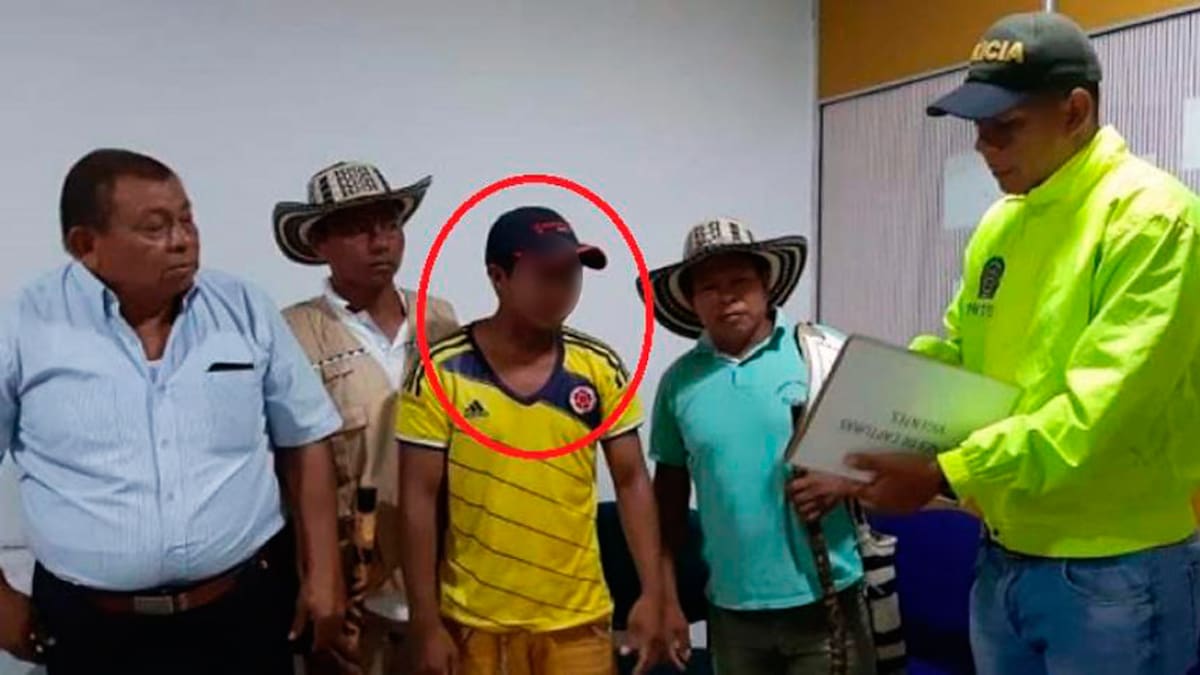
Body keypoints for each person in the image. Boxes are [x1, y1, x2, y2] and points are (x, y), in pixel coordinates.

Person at [802, 12, 1200, 675]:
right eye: (977, 127)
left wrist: (944, 473)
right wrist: (857, 418)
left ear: (1075, 111)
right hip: (1002, 553)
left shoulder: (1153, 219)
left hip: (1116, 568)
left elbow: (1097, 414)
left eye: (1004, 126)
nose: (983, 147)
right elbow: (963, 356)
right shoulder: (1002, 223)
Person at [0, 149, 347, 675]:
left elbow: (305, 438)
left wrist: (323, 572)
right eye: (156, 227)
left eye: (187, 220)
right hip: (91, 628)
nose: (183, 240)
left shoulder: (243, 307)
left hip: (242, 612)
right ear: (86, 245)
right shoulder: (25, 327)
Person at [396, 206, 665, 675]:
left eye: (571, 274)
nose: (561, 289)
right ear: (498, 277)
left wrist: (654, 591)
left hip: (578, 623)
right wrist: (425, 620)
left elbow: (632, 481)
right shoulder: (441, 372)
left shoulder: (598, 366)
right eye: (545, 274)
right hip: (475, 624)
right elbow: (418, 499)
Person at [641, 218, 875, 675]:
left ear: (766, 285)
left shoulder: (821, 352)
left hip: (829, 601)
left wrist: (845, 480)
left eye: (740, 282)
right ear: (691, 301)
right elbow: (667, 504)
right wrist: (664, 595)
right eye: (709, 288)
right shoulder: (679, 384)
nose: (726, 296)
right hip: (732, 613)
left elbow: (892, 451)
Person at [274, 161, 460, 674]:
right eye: (358, 229)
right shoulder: (294, 334)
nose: (381, 242)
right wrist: (317, 581)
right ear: (319, 243)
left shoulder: (440, 320)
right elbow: (293, 471)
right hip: (356, 595)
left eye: (390, 225)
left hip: (446, 586)